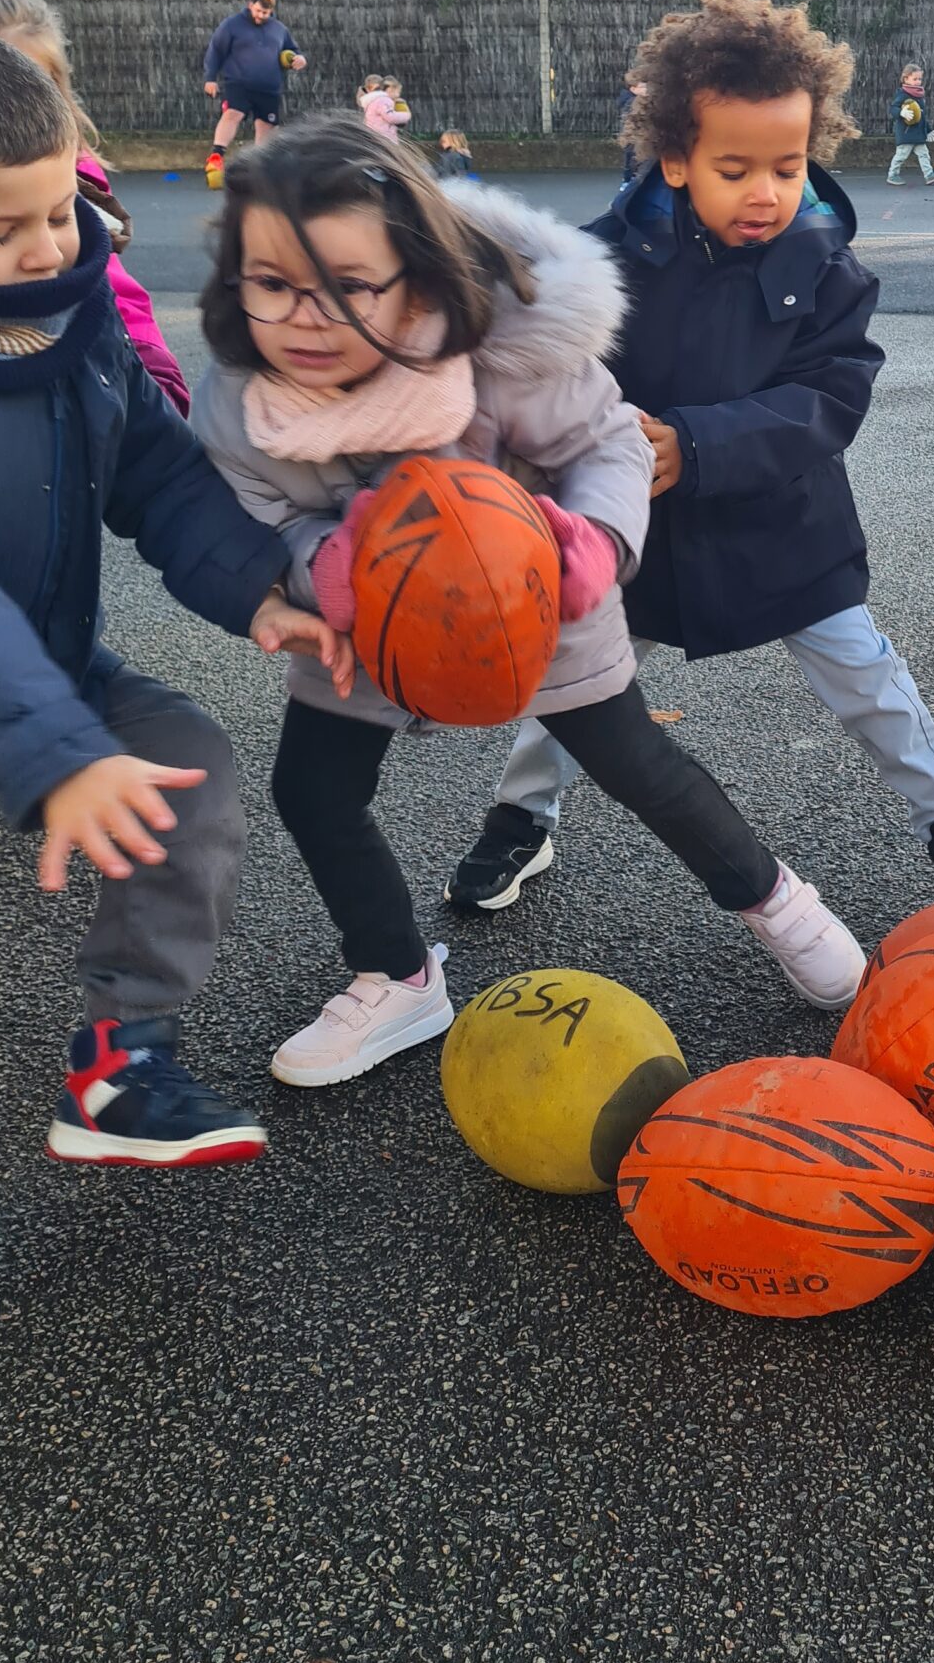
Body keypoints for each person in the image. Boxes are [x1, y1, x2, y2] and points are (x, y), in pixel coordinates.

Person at [190, 117, 868, 1088]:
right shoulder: (242, 396)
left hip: (537, 582)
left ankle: (775, 899)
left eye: (347, 286)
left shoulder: (501, 346)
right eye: (272, 284)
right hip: (369, 620)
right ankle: (397, 974)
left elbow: (610, 443)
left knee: (641, 765)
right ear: (234, 280)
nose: (306, 315)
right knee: (311, 786)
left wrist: (595, 541)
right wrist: (325, 568)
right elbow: (253, 511)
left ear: (417, 272)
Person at [0, 25, 344, 1162]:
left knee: (188, 774)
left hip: (46, 659)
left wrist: (262, 588)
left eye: (57, 211)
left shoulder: (72, 320)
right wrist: (58, 754)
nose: (43, 248)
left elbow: (158, 472)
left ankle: (122, 1064)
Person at [477, 0, 934, 911]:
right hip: (627, 523)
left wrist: (700, 442)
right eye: (735, 168)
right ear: (676, 162)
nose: (766, 192)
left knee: (868, 678)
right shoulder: (596, 261)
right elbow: (543, 366)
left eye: (788, 167)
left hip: (783, 523)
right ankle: (523, 820)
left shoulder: (828, 265)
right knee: (571, 673)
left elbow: (832, 393)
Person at [0, 0, 188, 411]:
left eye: (35, 97)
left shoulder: (76, 185)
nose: (13, 125)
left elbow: (113, 290)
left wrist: (152, 375)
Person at [203, 0, 304, 186]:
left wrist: (299, 59)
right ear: (251, 5)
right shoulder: (232, 25)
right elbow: (215, 51)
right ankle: (216, 156)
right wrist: (210, 78)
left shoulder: (279, 29)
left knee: (267, 126)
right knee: (233, 113)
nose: (260, 16)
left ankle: (261, 167)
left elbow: (294, 51)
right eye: (258, 11)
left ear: (271, 12)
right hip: (238, 82)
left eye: (265, 13)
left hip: (269, 86)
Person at [886, 63, 934, 185]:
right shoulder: (902, 94)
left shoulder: (919, 96)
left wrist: (928, 130)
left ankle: (929, 175)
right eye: (915, 79)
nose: (918, 82)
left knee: (924, 154)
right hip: (906, 134)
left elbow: (922, 117)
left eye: (920, 79)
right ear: (906, 79)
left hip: (918, 135)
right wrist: (901, 112)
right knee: (901, 156)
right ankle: (892, 175)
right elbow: (893, 108)